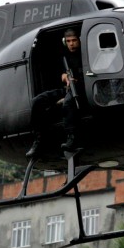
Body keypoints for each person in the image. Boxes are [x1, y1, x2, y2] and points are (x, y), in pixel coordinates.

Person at [27, 28, 82, 158]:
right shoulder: (64, 56)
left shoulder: (85, 54)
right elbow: (59, 72)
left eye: (74, 40)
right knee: (38, 101)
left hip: (83, 88)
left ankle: (71, 138)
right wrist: (64, 76)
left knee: (68, 103)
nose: (71, 44)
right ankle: (39, 141)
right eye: (68, 41)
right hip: (66, 88)